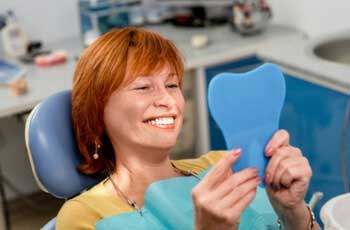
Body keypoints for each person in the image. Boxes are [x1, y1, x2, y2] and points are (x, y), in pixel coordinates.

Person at [56, 27, 319, 230]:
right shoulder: (85, 215)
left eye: (172, 86)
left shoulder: (224, 166)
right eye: (143, 87)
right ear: (97, 110)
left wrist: (292, 212)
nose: (168, 101)